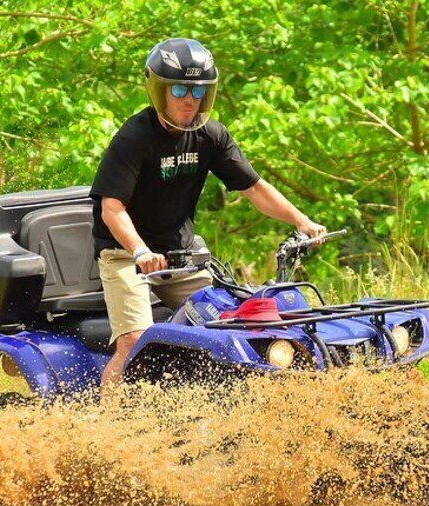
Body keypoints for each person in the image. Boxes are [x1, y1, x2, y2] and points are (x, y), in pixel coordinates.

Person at [90, 38, 326, 393]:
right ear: (160, 91)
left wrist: (301, 221)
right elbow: (112, 209)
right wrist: (140, 252)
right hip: (127, 257)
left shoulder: (210, 136)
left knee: (233, 325)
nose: (190, 99)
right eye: (181, 89)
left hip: (181, 257)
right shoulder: (134, 138)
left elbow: (254, 188)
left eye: (198, 90)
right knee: (134, 341)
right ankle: (104, 427)